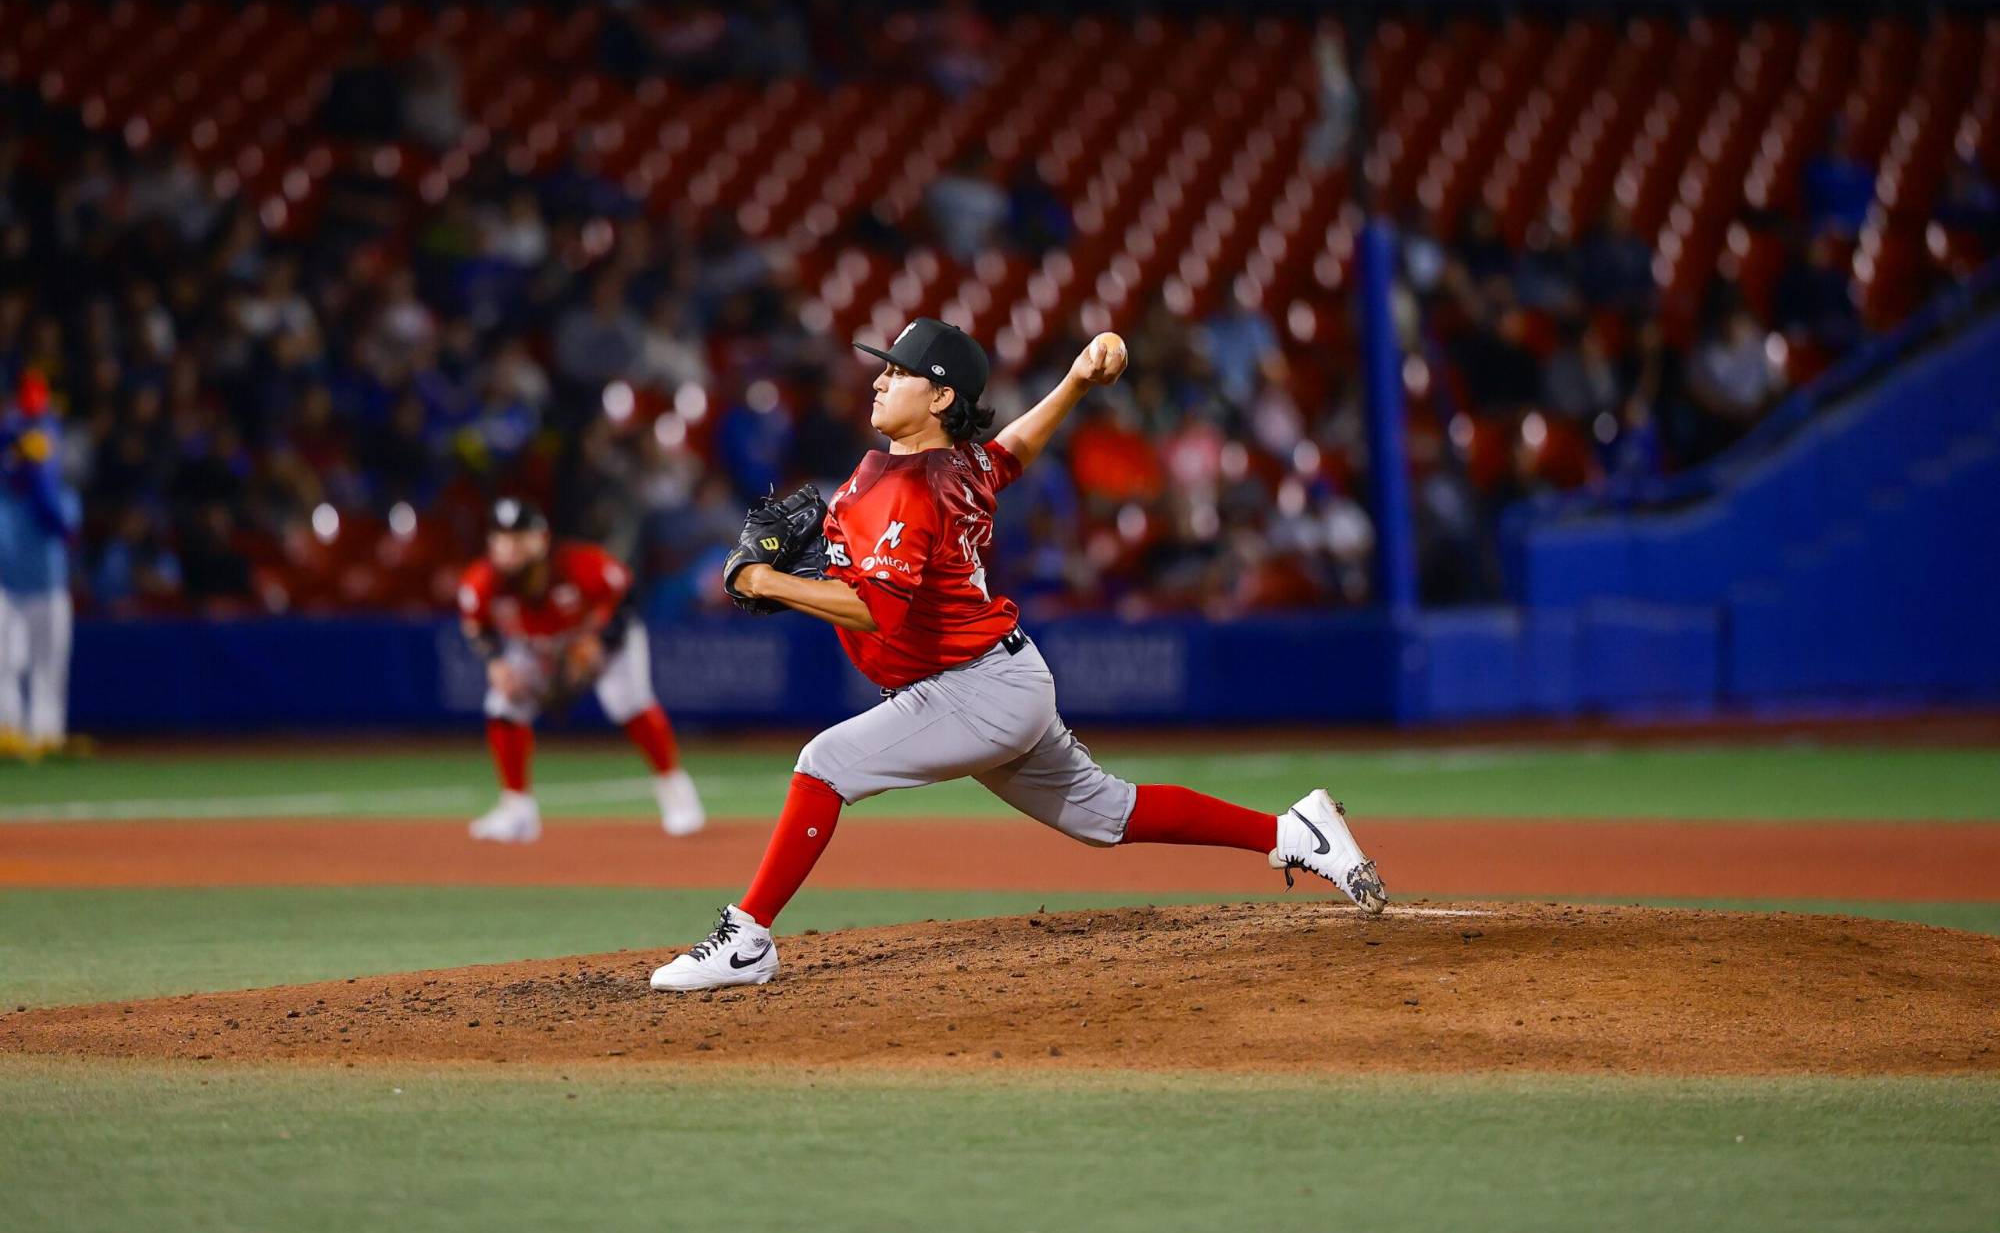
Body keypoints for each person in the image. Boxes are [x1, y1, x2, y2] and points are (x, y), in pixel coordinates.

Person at [649, 319, 1388, 992]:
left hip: (973, 690)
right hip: (998, 677)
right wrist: (1074, 382)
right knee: (1107, 812)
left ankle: (747, 939)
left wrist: (766, 581)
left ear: (938, 398)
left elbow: (878, 609)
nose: (877, 381)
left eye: (896, 372)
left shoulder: (914, 490)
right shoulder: (952, 465)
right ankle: (1294, 831)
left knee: (823, 764)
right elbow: (1014, 451)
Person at [456, 498, 704, 843]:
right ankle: (517, 811)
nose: (508, 545)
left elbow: (626, 594)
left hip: (599, 638)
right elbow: (478, 627)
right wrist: (496, 661)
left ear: (540, 538)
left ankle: (676, 793)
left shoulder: (577, 562)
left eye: (518, 536)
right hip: (540, 647)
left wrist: (600, 643)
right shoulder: (481, 581)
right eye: (500, 536)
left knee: (627, 703)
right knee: (503, 704)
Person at [0, 372, 80, 758]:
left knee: (48, 664)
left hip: (47, 586)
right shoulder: (5, 487)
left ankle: (46, 735)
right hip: (6, 586)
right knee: (4, 660)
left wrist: (38, 482)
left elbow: (63, 527)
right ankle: (8, 731)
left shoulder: (58, 491)